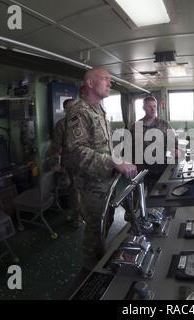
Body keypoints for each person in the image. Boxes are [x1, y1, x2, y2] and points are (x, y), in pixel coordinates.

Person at [65, 67, 137, 270]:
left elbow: (106, 145)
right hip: (92, 185)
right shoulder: (79, 111)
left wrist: (117, 159)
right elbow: (78, 153)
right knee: (95, 230)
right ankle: (91, 272)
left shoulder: (100, 110)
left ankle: (101, 260)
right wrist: (113, 162)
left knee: (107, 222)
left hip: (107, 181)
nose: (110, 83)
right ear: (90, 83)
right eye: (105, 79)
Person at [45, 98, 83, 228]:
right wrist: (55, 162)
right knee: (74, 190)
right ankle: (77, 217)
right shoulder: (61, 124)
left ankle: (83, 215)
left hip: (87, 162)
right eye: (70, 107)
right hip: (72, 163)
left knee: (85, 190)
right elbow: (55, 146)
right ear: (65, 110)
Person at [130, 96, 179, 188]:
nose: (153, 109)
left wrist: (175, 150)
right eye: (149, 107)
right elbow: (130, 149)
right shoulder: (136, 126)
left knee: (159, 196)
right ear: (144, 108)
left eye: (155, 106)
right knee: (142, 198)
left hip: (161, 170)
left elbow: (174, 143)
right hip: (141, 171)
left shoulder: (164, 125)